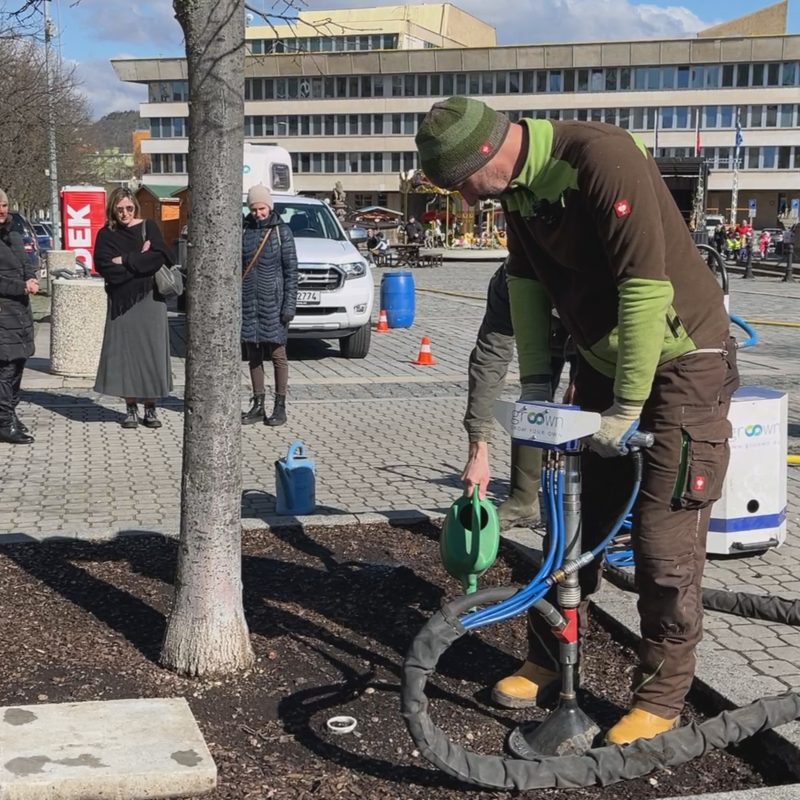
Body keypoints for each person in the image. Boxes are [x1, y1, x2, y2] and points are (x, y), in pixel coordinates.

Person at [416, 97, 738, 746]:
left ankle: (660, 700)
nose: (467, 202)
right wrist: (539, 389)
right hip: (601, 361)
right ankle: (547, 656)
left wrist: (625, 408)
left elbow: (645, 286)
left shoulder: (601, 158)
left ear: (483, 158)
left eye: (461, 188)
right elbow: (527, 285)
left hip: (682, 360)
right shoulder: (519, 191)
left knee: (662, 544)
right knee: (570, 517)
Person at [462, 261, 575, 527]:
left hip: (600, 340)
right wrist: (478, 448)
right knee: (531, 406)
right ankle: (524, 501)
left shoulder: (588, 272)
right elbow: (489, 357)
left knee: (590, 405)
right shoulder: (508, 279)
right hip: (543, 342)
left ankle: (596, 502)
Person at [94, 188, 174, 429]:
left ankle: (150, 409)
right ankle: (130, 408)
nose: (125, 213)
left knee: (152, 354)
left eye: (129, 208)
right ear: (112, 210)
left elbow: (159, 258)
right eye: (120, 209)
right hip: (122, 303)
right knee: (125, 357)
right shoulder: (106, 234)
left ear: (135, 207)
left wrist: (126, 260)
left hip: (150, 300)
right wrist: (140, 258)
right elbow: (105, 267)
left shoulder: (148, 226)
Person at [241, 185, 298, 427]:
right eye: (253, 209)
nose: (258, 214)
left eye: (261, 208)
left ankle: (280, 406)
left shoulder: (281, 232)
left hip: (273, 302)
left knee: (277, 354)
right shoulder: (243, 230)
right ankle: (257, 404)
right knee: (253, 354)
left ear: (270, 206)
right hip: (248, 303)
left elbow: (291, 271)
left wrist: (289, 306)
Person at [0, 190, 38, 445]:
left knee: (19, 363)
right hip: (3, 309)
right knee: (6, 367)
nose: (2, 210)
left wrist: (31, 277)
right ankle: (3, 423)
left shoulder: (13, 231)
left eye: (4, 204)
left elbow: (26, 262)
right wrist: (20, 286)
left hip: (21, 309)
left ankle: (10, 414)